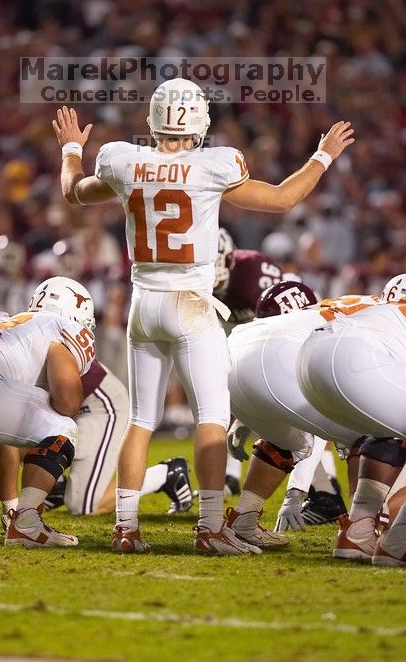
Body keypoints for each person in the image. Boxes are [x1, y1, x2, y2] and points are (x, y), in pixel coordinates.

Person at [53, 78, 354, 555]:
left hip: (143, 302)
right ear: (199, 122)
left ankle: (126, 528)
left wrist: (71, 147)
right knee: (212, 416)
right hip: (190, 303)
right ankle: (212, 527)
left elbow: (73, 191)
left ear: (153, 120)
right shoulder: (215, 164)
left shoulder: (122, 160)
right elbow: (282, 199)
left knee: (140, 420)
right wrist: (323, 155)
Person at [0, 275, 96, 547]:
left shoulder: (18, 324)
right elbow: (68, 402)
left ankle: (20, 517)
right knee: (62, 427)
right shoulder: (63, 325)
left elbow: (2, 440)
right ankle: (26, 522)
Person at [226, 281, 380, 546]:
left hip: (233, 353)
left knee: (288, 440)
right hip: (282, 358)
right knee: (368, 433)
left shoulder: (337, 308)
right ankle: (359, 529)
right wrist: (295, 492)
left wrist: (240, 415)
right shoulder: (380, 315)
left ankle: (244, 520)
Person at [298, 274, 406, 565]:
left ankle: (358, 529)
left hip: (308, 361)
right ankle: (400, 539)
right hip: (358, 359)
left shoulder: (378, 310)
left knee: (387, 429)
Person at [213, 227, 283, 496]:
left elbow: (277, 327)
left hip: (278, 329)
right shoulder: (195, 277)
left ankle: (320, 489)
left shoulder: (252, 270)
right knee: (220, 393)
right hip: (239, 333)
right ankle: (228, 476)